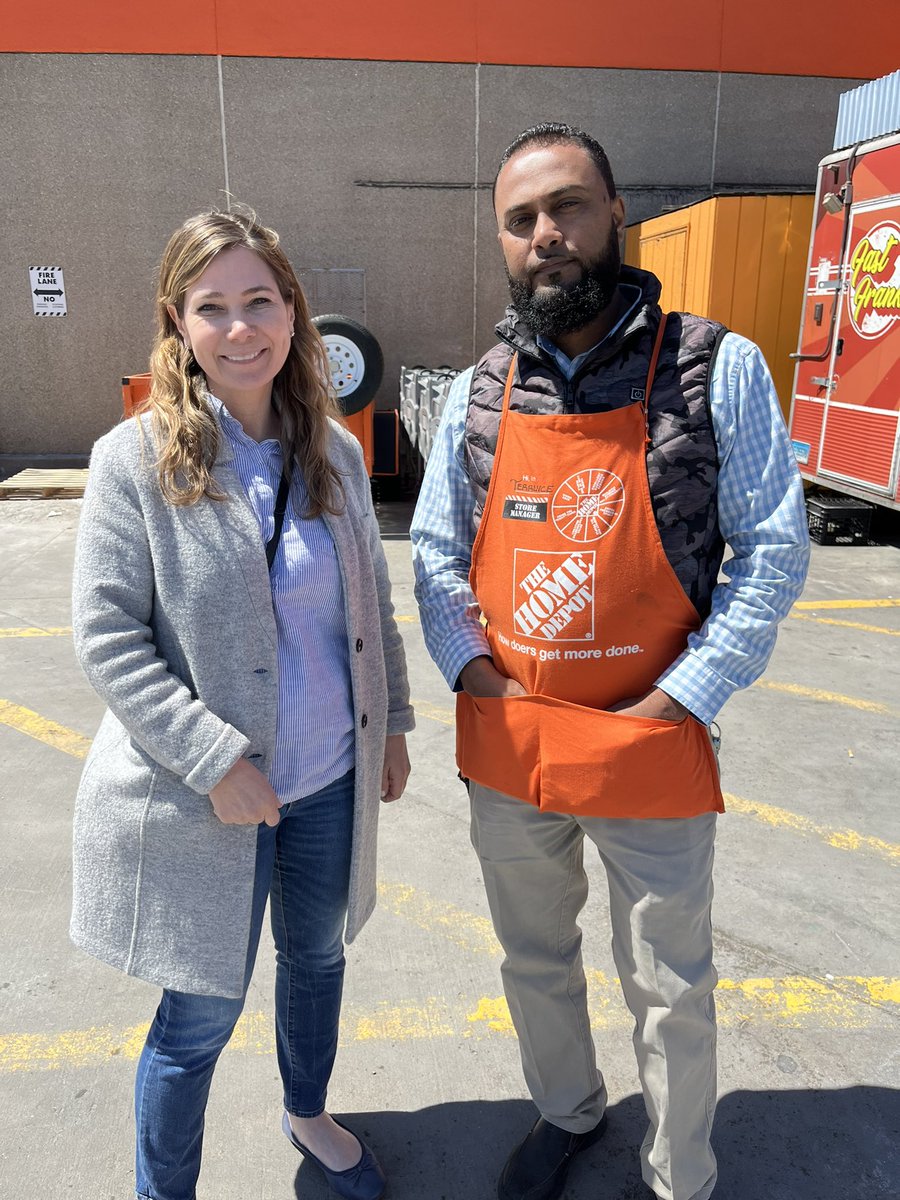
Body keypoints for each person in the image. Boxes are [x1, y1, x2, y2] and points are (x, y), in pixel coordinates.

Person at [411, 124, 810, 1200]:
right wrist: (471, 670)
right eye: (522, 218)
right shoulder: (480, 391)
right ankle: (567, 1112)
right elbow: (440, 554)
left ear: (614, 213)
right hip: (516, 742)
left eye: (569, 207)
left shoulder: (713, 366)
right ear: (502, 239)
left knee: (671, 986)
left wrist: (683, 695)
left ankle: (680, 1176)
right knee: (534, 960)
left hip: (650, 741)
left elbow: (773, 551)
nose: (548, 235)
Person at [71, 207, 414, 1200]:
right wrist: (214, 759)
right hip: (204, 798)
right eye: (212, 307)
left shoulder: (336, 453)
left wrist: (390, 725)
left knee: (315, 961)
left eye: (258, 301)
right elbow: (107, 639)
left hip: (327, 781)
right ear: (177, 322)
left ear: (291, 309)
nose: (239, 329)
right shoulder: (135, 461)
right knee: (198, 1018)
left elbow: (371, 604)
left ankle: (308, 1111)